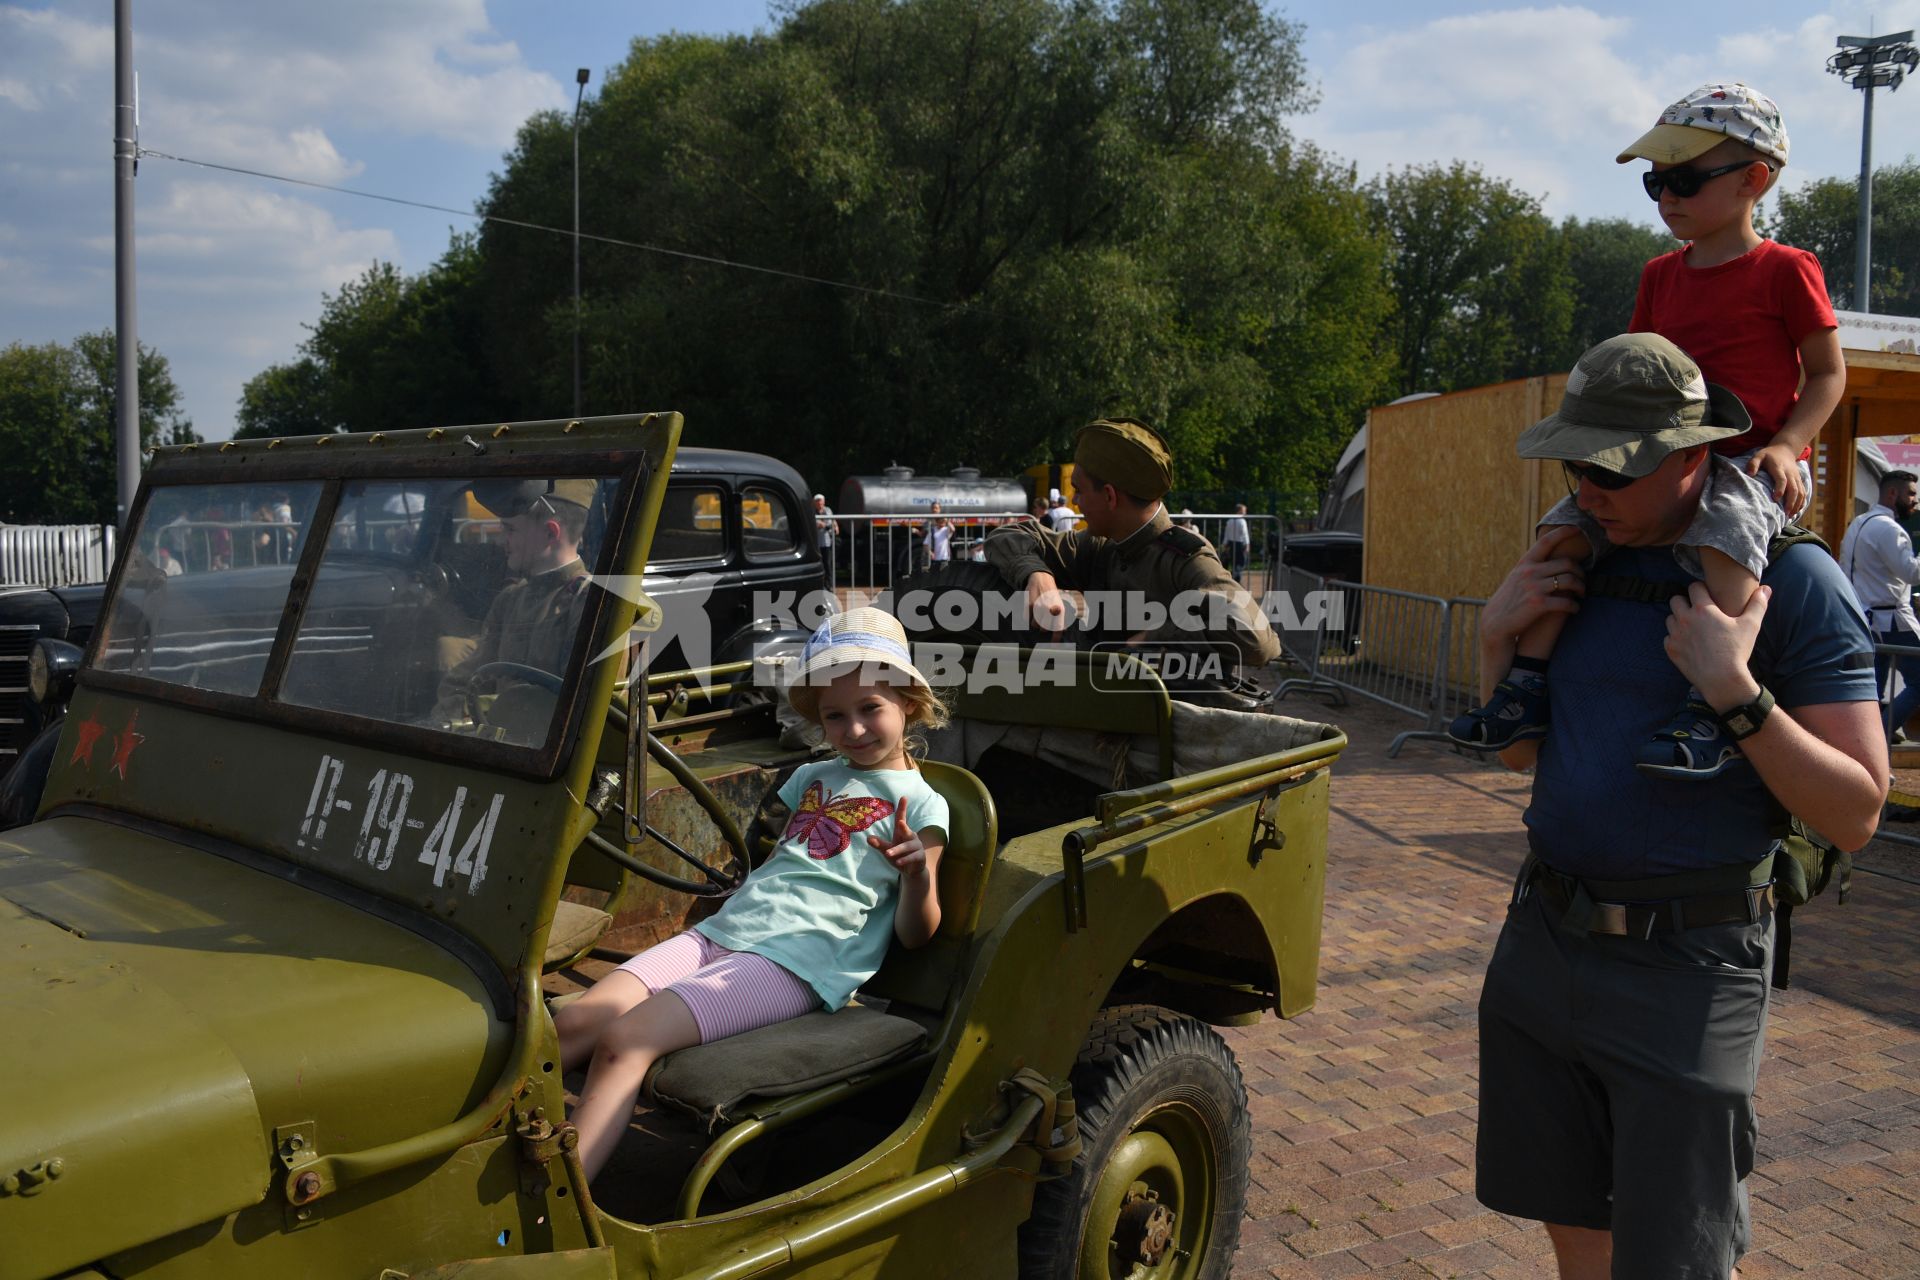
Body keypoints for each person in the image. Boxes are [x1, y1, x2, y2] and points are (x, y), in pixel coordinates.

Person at [1471, 333, 1884, 1279]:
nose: (1588, 488)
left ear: (1693, 455)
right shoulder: (1581, 555)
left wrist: (1735, 695)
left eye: (1613, 467)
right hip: (1544, 942)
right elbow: (1524, 753)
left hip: (1689, 966)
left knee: (1677, 1261)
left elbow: (1857, 812)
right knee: (1576, 1239)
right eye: (1575, 462)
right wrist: (1497, 644)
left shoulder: (1794, 582)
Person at [1451, 83, 1844, 781]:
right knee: (1557, 538)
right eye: (1655, 180)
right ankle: (1525, 684)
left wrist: (1787, 445)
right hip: (1661, 454)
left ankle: (1706, 702)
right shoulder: (1660, 275)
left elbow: (1826, 375)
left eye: (1685, 179)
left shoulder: (1786, 269)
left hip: (1750, 458)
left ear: (1754, 180)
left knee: (1725, 537)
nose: (1666, 196)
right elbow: (1633, 370)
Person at [553, 607, 951, 1180]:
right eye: (836, 716)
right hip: (724, 933)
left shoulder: (923, 805)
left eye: (871, 709)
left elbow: (918, 933)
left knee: (626, 1038)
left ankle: (565, 1198)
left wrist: (916, 877)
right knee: (574, 1022)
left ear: (908, 703)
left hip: (797, 960)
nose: (854, 729)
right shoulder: (813, 777)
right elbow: (785, 864)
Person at [984, 418, 1279, 669]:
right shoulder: (1102, 546)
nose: (1074, 501)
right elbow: (1007, 536)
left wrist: (1157, 635)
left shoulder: (1186, 558)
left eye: (1079, 490)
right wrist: (1037, 575)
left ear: (1110, 497)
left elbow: (1258, 641)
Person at [431, 478, 596, 729]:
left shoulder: (590, 603)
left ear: (551, 533)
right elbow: (472, 675)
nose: (500, 541)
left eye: (510, 530)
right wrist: (448, 718)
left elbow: (578, 711)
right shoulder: (510, 600)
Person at [1840, 469, 1920, 746]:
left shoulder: (1858, 523)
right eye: (1911, 494)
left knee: (1871, 688)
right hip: (1892, 620)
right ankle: (1882, 733)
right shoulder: (1889, 528)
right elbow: (1913, 574)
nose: (1915, 501)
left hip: (1864, 618)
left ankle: (1872, 737)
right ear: (1892, 493)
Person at [1221, 503, 1251, 584]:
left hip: (1231, 544)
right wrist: (1247, 545)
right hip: (1240, 544)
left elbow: (1226, 534)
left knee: (1234, 563)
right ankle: (1236, 580)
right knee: (1241, 563)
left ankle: (1233, 578)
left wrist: (1225, 545)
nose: (1245, 513)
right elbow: (1245, 534)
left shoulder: (1229, 520)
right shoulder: (1242, 521)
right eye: (1244, 511)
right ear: (1239, 511)